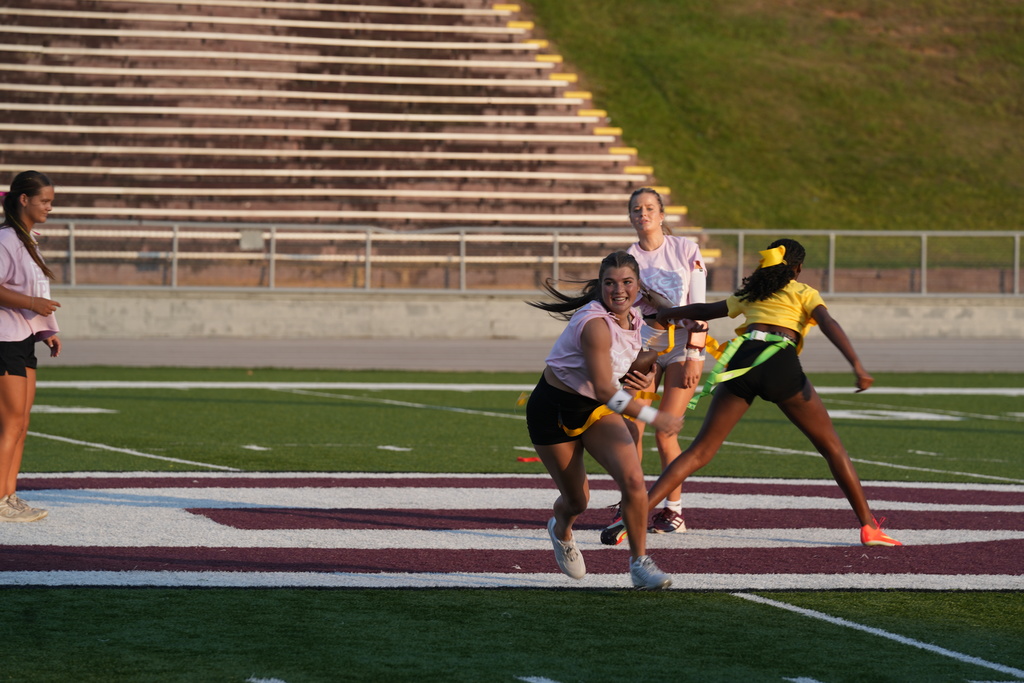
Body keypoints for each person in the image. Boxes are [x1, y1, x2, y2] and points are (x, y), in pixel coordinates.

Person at [606, 238, 901, 547]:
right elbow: (828, 323)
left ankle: (633, 514)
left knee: (700, 452)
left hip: (742, 361)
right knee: (832, 448)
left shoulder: (753, 292)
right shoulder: (804, 292)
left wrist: (668, 314)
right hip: (778, 361)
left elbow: (706, 310)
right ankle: (868, 526)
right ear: (798, 268)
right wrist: (857, 365)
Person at [525, 251, 682, 589]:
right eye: (610, 283)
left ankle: (639, 563)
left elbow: (639, 351)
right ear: (600, 286)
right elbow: (603, 389)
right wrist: (653, 415)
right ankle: (561, 530)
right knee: (577, 501)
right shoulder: (595, 323)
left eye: (627, 282)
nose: (619, 290)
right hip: (554, 411)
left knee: (634, 481)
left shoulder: (635, 316)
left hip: (596, 411)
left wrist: (644, 372)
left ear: (638, 286)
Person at [601, 187, 710, 544]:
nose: (643, 214)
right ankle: (630, 503)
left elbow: (699, 307)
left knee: (666, 431)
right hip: (644, 343)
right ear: (630, 217)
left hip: (681, 343)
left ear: (662, 215)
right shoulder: (627, 258)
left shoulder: (686, 249)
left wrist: (695, 355)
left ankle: (673, 511)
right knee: (631, 425)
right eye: (636, 209)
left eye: (649, 208)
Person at [0, 170, 62, 522]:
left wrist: (44, 329)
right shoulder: (6, 239)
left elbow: (33, 293)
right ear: (23, 200)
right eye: (45, 201)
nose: (49, 207)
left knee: (21, 423)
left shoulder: (28, 240)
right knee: (9, 424)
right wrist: (32, 305)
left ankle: (9, 496)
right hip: (3, 340)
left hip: (23, 339)